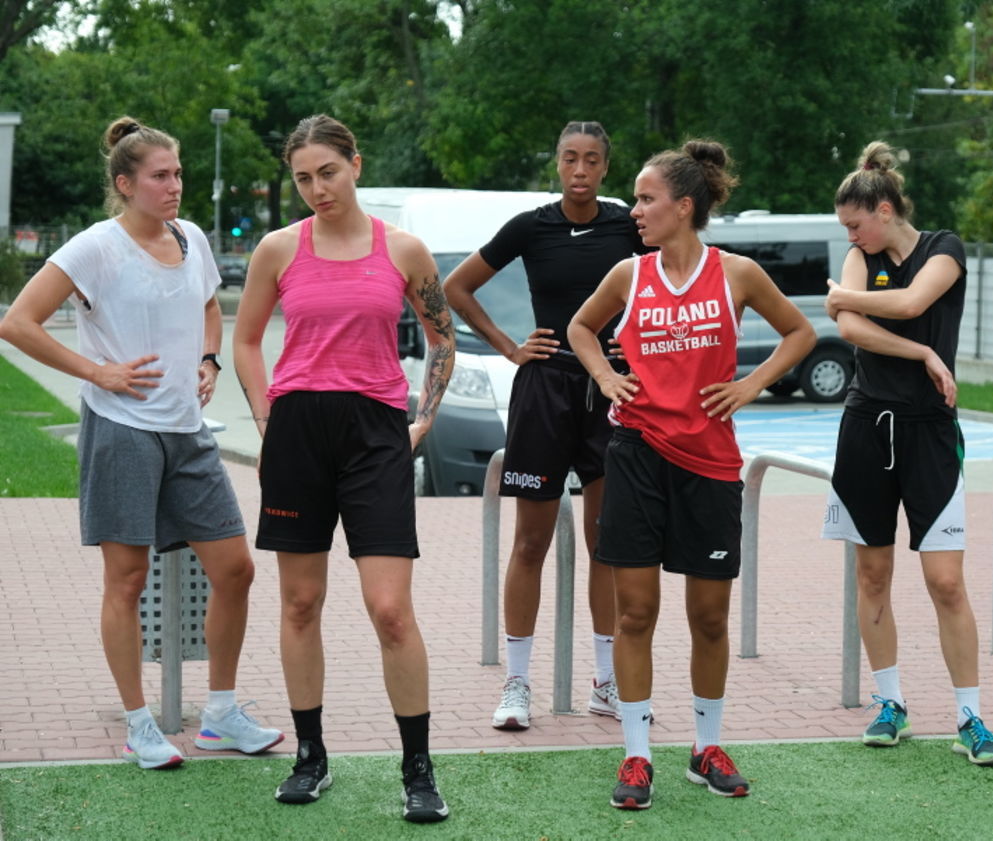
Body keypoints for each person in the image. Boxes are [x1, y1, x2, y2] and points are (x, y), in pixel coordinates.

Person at [0, 116, 283, 770]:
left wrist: (209, 359)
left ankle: (219, 715)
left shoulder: (190, 238)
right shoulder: (96, 247)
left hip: (188, 434)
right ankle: (138, 723)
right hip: (121, 432)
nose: (174, 185)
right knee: (126, 579)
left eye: (178, 172)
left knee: (235, 569)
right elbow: (18, 321)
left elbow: (210, 305)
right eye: (160, 176)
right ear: (126, 184)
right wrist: (96, 370)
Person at [569, 140, 815, 809]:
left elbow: (800, 333)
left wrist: (750, 385)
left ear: (684, 205)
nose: (636, 209)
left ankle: (705, 748)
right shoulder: (630, 275)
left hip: (710, 463)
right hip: (637, 456)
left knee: (709, 617)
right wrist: (605, 376)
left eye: (646, 199)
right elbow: (580, 328)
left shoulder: (735, 273)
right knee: (636, 612)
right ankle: (637, 753)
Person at [232, 114, 456, 822]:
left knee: (390, 609)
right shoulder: (277, 249)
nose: (316, 188)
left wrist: (425, 415)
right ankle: (311, 755)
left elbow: (441, 334)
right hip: (297, 428)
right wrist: (267, 422)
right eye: (303, 177)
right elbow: (245, 341)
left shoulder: (405, 250)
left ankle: (417, 769)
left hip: (375, 432)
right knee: (300, 603)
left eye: (327, 171)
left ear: (356, 163)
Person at [444, 121, 649, 730]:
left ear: (606, 167)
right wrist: (509, 347)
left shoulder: (627, 227)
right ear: (556, 164)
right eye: (569, 159)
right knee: (530, 542)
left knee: (605, 544)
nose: (579, 170)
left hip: (613, 390)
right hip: (545, 389)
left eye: (590, 160)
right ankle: (517, 683)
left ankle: (606, 684)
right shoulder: (531, 226)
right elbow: (456, 287)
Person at [822, 141, 993, 767]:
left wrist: (849, 299)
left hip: (929, 432)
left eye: (855, 224)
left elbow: (907, 304)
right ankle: (891, 703)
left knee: (945, 581)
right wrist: (922, 352)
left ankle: (971, 716)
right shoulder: (857, 255)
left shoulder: (943, 249)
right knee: (872, 575)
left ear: (884, 208)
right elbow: (849, 331)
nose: (851, 237)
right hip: (865, 427)